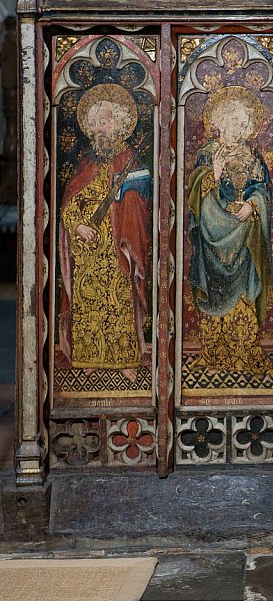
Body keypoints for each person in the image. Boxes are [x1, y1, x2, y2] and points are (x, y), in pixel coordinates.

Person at [59, 83, 151, 382]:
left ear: (121, 123)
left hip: (116, 247)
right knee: (89, 304)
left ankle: (125, 360)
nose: (102, 126)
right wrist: (77, 224)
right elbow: (69, 203)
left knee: (119, 302)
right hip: (87, 250)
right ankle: (88, 357)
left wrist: (126, 205)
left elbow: (141, 198)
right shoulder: (87, 163)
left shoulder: (130, 161)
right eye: (97, 121)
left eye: (108, 119)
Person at [187, 85, 273, 376]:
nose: (238, 128)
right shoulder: (207, 155)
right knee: (214, 294)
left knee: (242, 294)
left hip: (243, 236)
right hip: (213, 235)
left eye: (243, 123)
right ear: (219, 122)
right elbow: (196, 196)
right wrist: (213, 174)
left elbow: (263, 191)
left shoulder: (253, 157)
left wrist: (252, 205)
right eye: (233, 121)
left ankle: (242, 352)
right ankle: (214, 355)